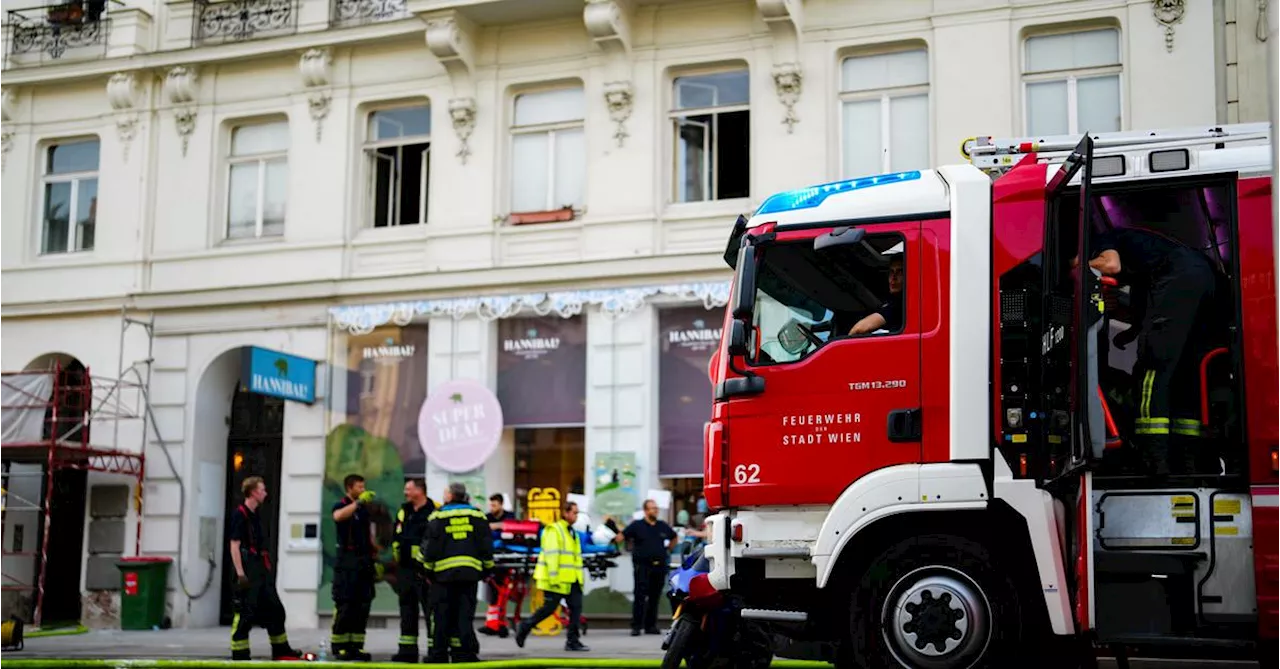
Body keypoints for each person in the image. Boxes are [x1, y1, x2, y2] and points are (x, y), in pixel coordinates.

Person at [1083, 224, 1217, 477]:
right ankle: (1188, 461)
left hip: (1179, 277)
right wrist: (1132, 330)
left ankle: (1154, 461)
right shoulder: (1149, 248)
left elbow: (1111, 266)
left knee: (1152, 369)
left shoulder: (1105, 240)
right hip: (1205, 278)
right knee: (1182, 373)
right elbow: (1149, 297)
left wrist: (1080, 266)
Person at [228, 477, 302, 661]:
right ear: (253, 492)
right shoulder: (240, 514)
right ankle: (240, 653)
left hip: (260, 569)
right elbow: (234, 545)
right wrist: (240, 574)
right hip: (247, 570)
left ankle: (281, 650)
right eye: (262, 490)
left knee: (275, 609)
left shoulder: (255, 514)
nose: (266, 493)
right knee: (246, 612)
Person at [420, 482, 494, 664]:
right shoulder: (477, 516)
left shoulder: (438, 516)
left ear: (450, 496)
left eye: (445, 493)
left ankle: (439, 654)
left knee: (441, 616)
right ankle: (464, 654)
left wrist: (426, 571)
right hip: (469, 575)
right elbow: (486, 545)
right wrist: (487, 569)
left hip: (443, 577)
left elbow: (429, 548)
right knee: (464, 616)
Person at [514, 501, 589, 652]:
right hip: (557, 579)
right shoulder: (555, 530)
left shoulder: (571, 532)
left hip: (571, 579)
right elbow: (552, 556)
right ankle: (525, 627)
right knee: (548, 609)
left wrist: (579, 579)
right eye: (574, 512)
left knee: (576, 609)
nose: (576, 516)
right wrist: (554, 578)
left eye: (577, 513)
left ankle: (573, 641)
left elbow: (574, 557)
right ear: (565, 513)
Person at [330, 474, 377, 662]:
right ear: (349, 488)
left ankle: (356, 647)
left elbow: (369, 534)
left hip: (364, 562)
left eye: (364, 487)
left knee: (362, 605)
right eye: (359, 487)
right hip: (347, 563)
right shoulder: (341, 504)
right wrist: (357, 504)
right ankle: (339, 647)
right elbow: (338, 516)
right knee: (346, 605)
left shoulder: (364, 510)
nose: (363, 490)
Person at [390, 478, 436, 663]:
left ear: (420, 490)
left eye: (408, 489)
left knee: (431, 612)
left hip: (426, 571)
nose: (405, 493)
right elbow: (396, 535)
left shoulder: (434, 511)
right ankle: (407, 651)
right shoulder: (404, 511)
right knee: (407, 611)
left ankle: (435, 650)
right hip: (406, 569)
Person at [621, 499, 678, 636]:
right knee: (640, 596)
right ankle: (636, 626)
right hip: (642, 566)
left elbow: (674, 537)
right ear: (646, 511)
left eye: (656, 508)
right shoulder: (637, 526)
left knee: (654, 597)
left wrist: (668, 549)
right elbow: (622, 536)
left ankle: (650, 626)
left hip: (659, 566)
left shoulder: (662, 526)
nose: (655, 510)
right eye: (652, 508)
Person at [479, 493, 516, 638]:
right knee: (494, 594)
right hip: (492, 557)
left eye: (494, 505)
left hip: (505, 559)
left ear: (501, 504)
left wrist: (495, 526)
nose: (491, 508)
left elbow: (510, 528)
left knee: (501, 593)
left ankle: (498, 625)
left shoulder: (509, 516)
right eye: (490, 505)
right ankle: (495, 624)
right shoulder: (487, 517)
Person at [849, 254, 905, 335]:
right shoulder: (891, 302)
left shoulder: (900, 304)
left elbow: (858, 329)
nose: (894, 277)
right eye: (891, 272)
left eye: (900, 272)